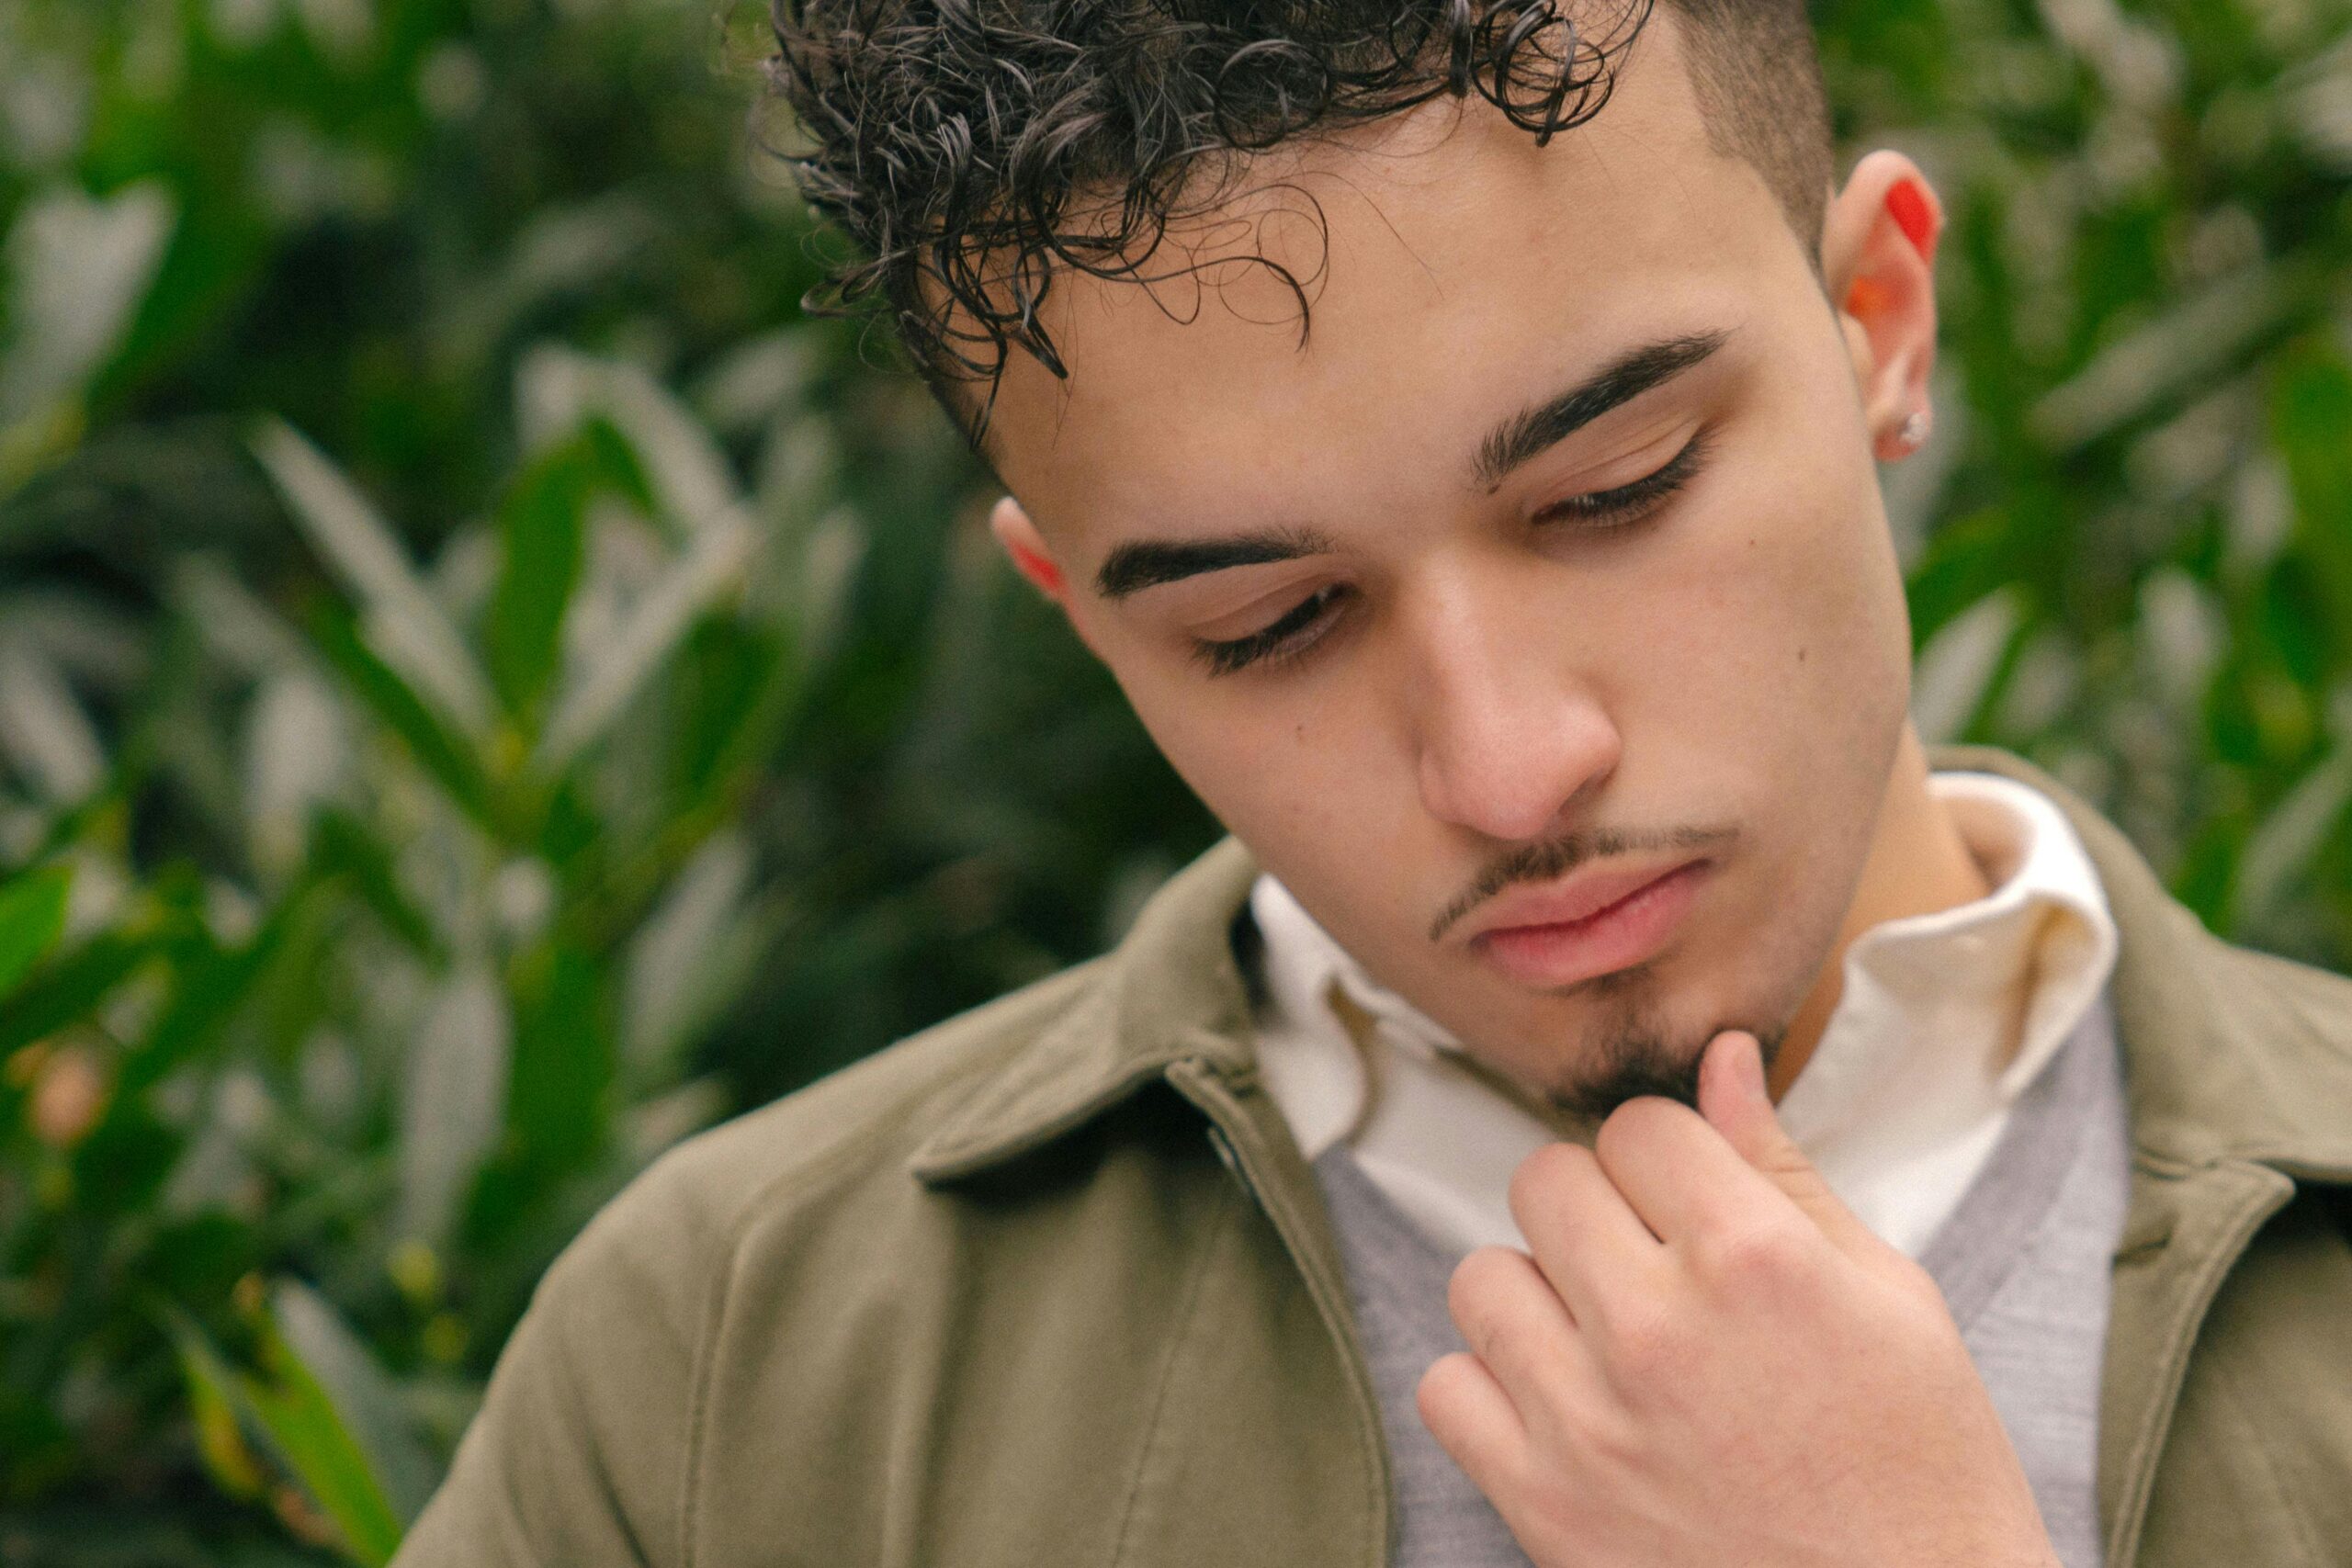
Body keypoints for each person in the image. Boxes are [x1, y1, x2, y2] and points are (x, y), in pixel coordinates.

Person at [392, 1, 2352, 1563]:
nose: (1509, 767)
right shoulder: (738, 1361)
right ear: (1076, 610)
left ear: (1877, 326)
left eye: (1613, 492)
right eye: (1267, 621)